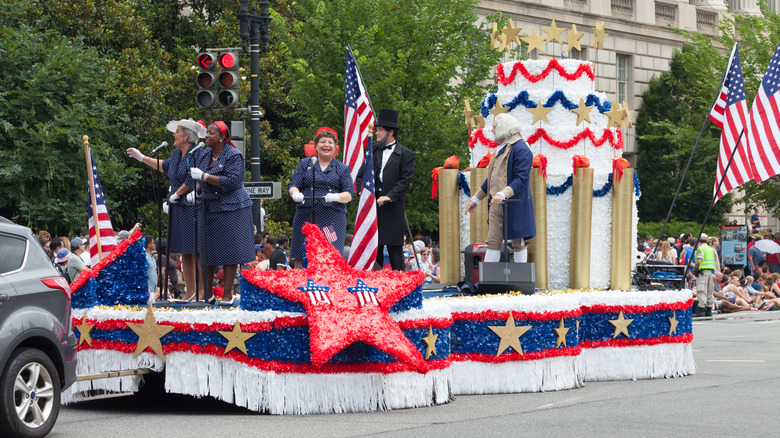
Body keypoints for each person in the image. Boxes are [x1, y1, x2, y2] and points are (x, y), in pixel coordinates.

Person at [127, 118, 207, 300]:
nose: (173, 134)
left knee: (196, 250)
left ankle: (201, 291)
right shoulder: (176, 154)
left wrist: (176, 194)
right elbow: (164, 166)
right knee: (184, 251)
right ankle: (190, 290)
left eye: (177, 131)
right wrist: (142, 158)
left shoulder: (195, 154)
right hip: (178, 206)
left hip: (190, 205)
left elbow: (191, 179)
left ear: (186, 135)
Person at [190, 121, 255, 305]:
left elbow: (231, 182)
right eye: (207, 133)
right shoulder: (204, 154)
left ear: (221, 137)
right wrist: (195, 190)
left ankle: (227, 294)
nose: (207, 136)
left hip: (231, 207)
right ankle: (207, 294)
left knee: (229, 252)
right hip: (209, 207)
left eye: (211, 133)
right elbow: (199, 178)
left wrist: (204, 176)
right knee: (206, 251)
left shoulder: (233, 155)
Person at [464, 113, 535, 263]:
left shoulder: (522, 148)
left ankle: (519, 283)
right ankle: (490, 283)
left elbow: (521, 178)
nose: (492, 130)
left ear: (503, 128)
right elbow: (492, 179)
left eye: (494, 127)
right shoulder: (500, 149)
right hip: (496, 204)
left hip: (515, 204)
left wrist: (503, 194)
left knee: (518, 242)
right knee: (492, 242)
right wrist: (476, 199)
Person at [356, 110, 415, 271]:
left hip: (393, 207)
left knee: (394, 249)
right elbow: (361, 176)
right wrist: (364, 195)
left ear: (391, 132)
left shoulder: (406, 154)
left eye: (380, 129)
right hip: (373, 208)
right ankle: (376, 284)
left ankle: (399, 284)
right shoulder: (373, 151)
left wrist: (389, 196)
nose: (376, 133)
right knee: (374, 248)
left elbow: (405, 181)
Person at [288, 127, 353, 268]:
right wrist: (295, 194)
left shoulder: (342, 168)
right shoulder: (305, 164)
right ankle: (299, 288)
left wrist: (336, 196)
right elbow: (293, 185)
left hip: (331, 218)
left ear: (335, 147)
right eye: (323, 141)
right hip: (306, 215)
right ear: (316, 146)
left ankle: (328, 288)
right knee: (301, 256)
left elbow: (348, 194)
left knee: (330, 258)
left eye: (330, 142)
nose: (326, 145)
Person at [693, 233, 720, 317]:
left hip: (702, 272)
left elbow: (699, 261)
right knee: (709, 291)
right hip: (710, 272)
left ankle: (701, 310)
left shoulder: (701, 248)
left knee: (701, 290)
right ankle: (709, 310)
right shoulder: (710, 249)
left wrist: (696, 269)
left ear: (699, 240)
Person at [143, 233, 158, 300]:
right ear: (149, 245)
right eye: (153, 242)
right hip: (148, 290)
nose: (154, 244)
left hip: (153, 290)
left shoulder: (152, 257)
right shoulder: (144, 257)